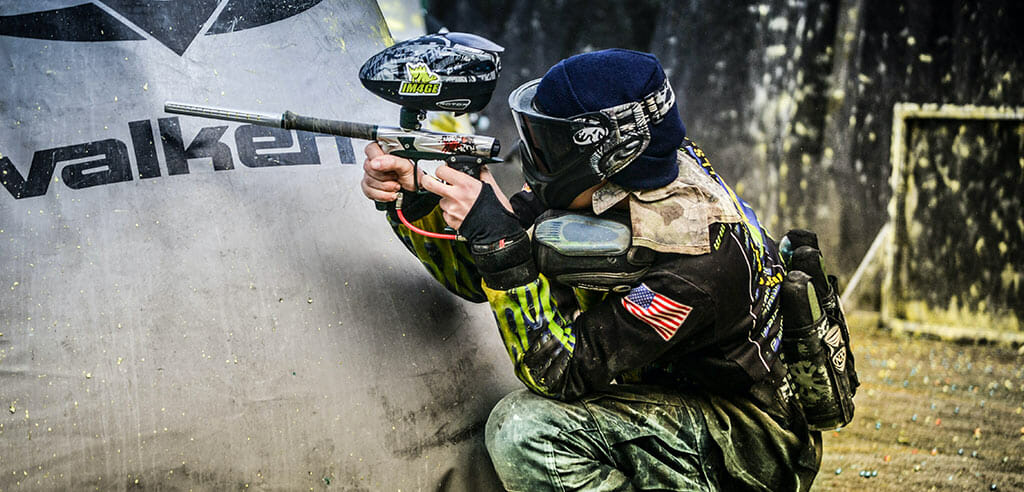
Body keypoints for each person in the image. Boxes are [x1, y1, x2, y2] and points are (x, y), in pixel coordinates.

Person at [361, 49, 821, 491]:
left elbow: (558, 371)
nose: (535, 158)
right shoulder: (615, 182)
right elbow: (479, 277)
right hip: (674, 400)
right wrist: (421, 196)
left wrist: (499, 241)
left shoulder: (696, 264)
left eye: (548, 147)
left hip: (749, 442)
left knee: (526, 431)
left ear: (607, 158)